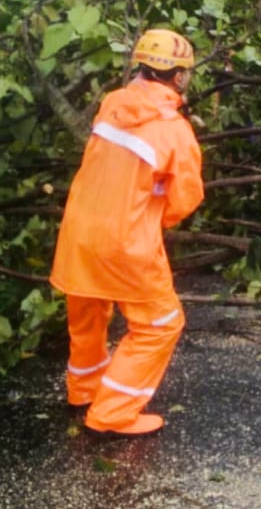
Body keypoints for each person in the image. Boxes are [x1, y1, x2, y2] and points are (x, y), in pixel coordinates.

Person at [50, 29, 205, 436]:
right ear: (178, 76)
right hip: (125, 241)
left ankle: (83, 390)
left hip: (79, 231)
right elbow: (184, 200)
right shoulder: (173, 130)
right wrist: (152, 218)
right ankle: (112, 414)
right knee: (161, 324)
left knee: (88, 313)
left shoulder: (112, 105)